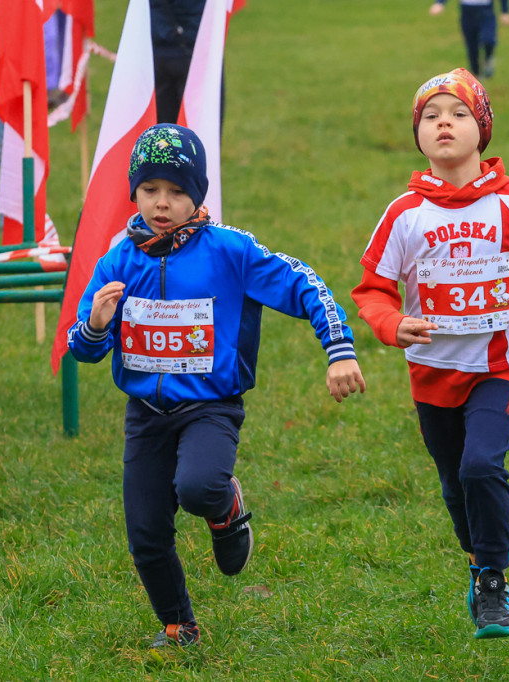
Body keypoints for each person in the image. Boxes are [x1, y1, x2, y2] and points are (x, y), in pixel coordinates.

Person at [68, 124, 366, 648]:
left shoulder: (229, 250)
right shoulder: (119, 259)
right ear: (134, 193)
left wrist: (338, 348)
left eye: (178, 191)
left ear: (198, 195)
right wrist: (95, 324)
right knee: (145, 532)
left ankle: (225, 508)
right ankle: (179, 625)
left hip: (210, 408)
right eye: (150, 190)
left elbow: (305, 283)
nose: (162, 203)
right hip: (145, 414)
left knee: (198, 486)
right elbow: (84, 348)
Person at [352, 69, 509, 638]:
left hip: (503, 363)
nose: (443, 123)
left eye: (458, 114)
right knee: (454, 482)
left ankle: (495, 583)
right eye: (430, 116)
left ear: (483, 130)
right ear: (419, 135)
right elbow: (373, 288)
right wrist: (392, 322)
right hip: (433, 372)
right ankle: (478, 565)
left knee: (481, 465)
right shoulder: (404, 213)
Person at [429, 0, 509, 79]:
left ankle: (488, 58)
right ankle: (476, 75)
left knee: (488, 40)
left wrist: (505, 11)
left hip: (486, 13)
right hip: (467, 14)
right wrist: (440, 3)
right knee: (472, 46)